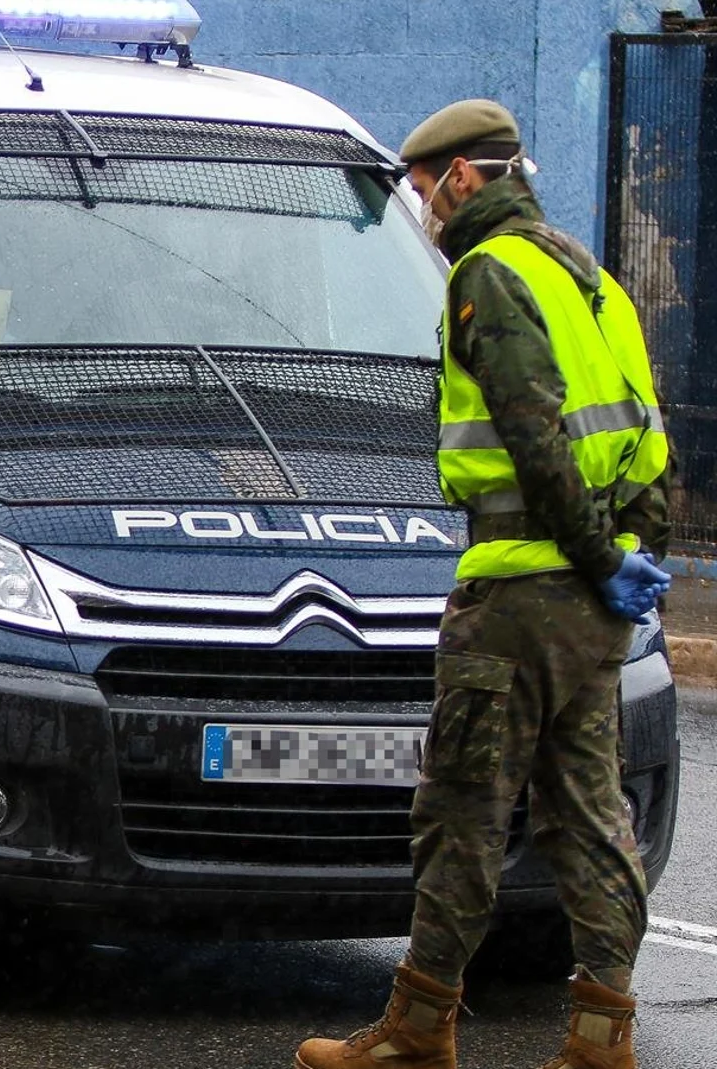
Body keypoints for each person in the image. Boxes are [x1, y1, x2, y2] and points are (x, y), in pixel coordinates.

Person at [295, 99, 672, 1069]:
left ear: (464, 178)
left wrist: (588, 557)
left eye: (423, 190)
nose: (421, 209)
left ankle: (417, 1031)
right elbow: (645, 441)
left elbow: (532, 436)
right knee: (587, 812)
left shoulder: (488, 273)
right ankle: (601, 1037)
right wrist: (625, 563)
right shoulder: (590, 280)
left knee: (461, 802)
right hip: (591, 606)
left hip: (515, 594)